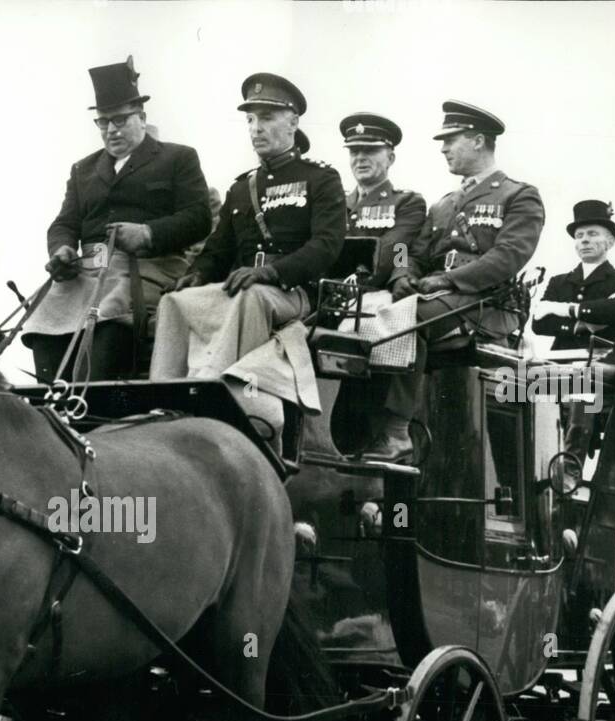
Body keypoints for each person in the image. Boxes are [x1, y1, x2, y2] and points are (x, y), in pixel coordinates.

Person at [149, 73, 345, 447]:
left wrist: (272, 271)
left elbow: (326, 245)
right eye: (251, 120)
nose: (257, 128)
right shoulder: (242, 188)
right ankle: (165, 398)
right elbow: (218, 250)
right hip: (245, 284)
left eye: (268, 118)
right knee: (174, 301)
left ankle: (211, 391)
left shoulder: (320, 179)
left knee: (251, 297)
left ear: (293, 122)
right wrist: (197, 274)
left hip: (292, 292)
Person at [368, 100, 545, 461]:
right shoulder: (443, 204)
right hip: (441, 295)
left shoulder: (518, 195)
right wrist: (404, 274)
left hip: (486, 305)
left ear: (479, 141)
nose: (444, 148)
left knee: (408, 319)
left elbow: (507, 257)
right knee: (368, 316)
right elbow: (411, 251)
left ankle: (397, 430)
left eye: (451, 139)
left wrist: (450, 281)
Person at [22, 57, 211, 382]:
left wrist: (148, 234)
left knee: (109, 314)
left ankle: (88, 405)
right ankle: (51, 408)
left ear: (142, 116)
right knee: (42, 320)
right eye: (103, 122)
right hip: (87, 274)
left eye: (121, 120)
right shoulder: (83, 169)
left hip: (150, 270)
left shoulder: (177, 158)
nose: (112, 130)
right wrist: (63, 250)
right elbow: (64, 223)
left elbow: (199, 218)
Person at [531, 200, 615, 350]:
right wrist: (580, 326)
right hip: (558, 362)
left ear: (610, 242)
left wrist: (561, 309)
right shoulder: (559, 281)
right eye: (579, 235)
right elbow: (538, 324)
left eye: (592, 234)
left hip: (603, 365)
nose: (585, 240)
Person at [340, 112, 426, 289]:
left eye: (370, 150)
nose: (360, 158)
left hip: (371, 290)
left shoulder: (407, 202)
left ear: (390, 159)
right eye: (354, 151)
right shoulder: (336, 202)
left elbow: (398, 250)